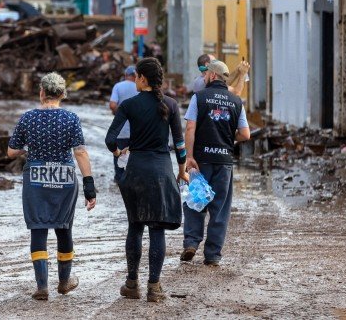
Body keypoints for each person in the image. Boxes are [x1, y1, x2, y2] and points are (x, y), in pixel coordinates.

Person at [105, 57, 189, 303]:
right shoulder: (171, 105)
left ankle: (132, 284)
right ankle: (154, 286)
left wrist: (119, 153)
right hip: (162, 171)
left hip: (136, 171)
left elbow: (111, 139)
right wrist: (182, 170)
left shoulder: (129, 105)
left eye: (137, 78)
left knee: (135, 226)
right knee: (157, 229)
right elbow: (180, 145)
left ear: (141, 78)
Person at [7, 72, 97, 301]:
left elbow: (11, 151)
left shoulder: (28, 118)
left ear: (41, 93)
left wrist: (28, 150)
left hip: (35, 179)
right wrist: (89, 186)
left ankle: (42, 287)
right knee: (64, 228)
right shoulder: (71, 119)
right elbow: (80, 152)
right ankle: (65, 282)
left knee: (38, 228)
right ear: (63, 95)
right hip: (64, 178)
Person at [181, 60, 251, 266]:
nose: (203, 78)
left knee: (195, 201)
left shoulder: (199, 98)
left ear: (212, 76)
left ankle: (191, 243)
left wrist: (189, 157)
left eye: (205, 75)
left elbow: (190, 129)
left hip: (201, 160)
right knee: (220, 208)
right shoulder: (236, 101)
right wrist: (229, 138)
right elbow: (246, 134)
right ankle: (212, 255)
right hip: (224, 161)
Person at [108, 66, 138, 183]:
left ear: (126, 75)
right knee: (135, 155)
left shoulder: (118, 86)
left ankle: (119, 178)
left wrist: (120, 112)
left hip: (121, 130)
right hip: (136, 130)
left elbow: (112, 105)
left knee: (118, 154)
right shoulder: (139, 88)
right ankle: (133, 178)